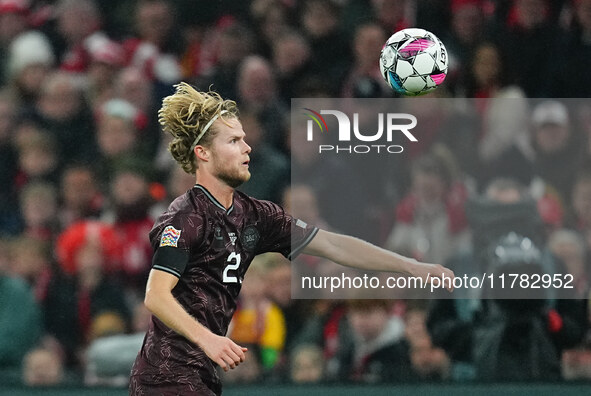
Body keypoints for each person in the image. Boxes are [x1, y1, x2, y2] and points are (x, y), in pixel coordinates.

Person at [129, 82, 454, 395]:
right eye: (233, 141)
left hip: (204, 375)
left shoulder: (257, 215)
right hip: (165, 375)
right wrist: (210, 339)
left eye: (244, 139)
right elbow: (156, 296)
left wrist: (410, 266)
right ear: (203, 153)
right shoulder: (185, 217)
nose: (247, 148)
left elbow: (333, 244)